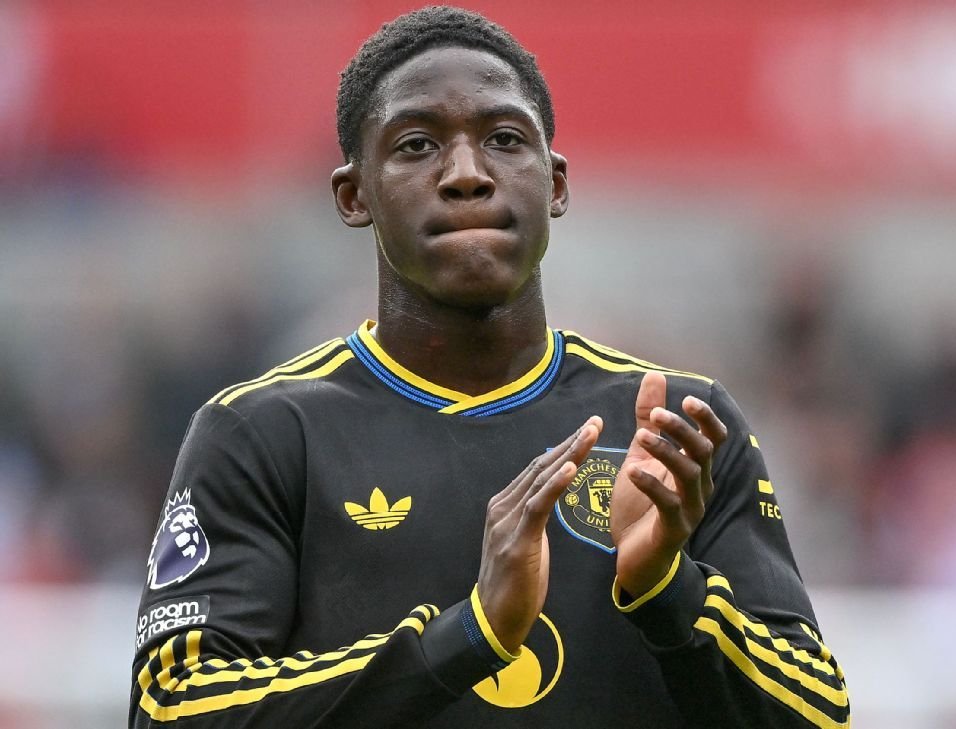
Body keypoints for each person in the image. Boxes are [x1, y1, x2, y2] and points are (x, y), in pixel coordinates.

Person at [129, 6, 849, 728]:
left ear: (555, 184)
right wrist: (468, 637)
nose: (467, 175)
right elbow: (170, 710)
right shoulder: (262, 434)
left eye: (504, 139)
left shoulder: (676, 429)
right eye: (416, 145)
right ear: (354, 195)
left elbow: (820, 715)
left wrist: (668, 587)